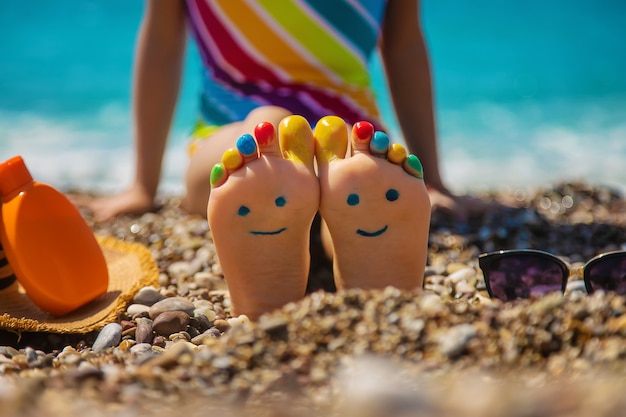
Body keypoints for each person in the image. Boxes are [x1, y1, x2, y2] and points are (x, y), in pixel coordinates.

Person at [82, 0, 478, 318]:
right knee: (316, 158)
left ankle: (280, 286)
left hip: (293, 140)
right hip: (313, 138)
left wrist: (144, 185)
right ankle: (368, 274)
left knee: (341, 173)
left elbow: (163, 47)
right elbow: (404, 48)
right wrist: (141, 185)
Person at [86, 0, 475, 223]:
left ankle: (316, 234)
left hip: (349, 136)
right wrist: (142, 185)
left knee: (352, 171)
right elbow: (162, 44)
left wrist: (434, 182)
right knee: (269, 137)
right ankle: (342, 229)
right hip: (235, 135)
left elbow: (404, 47)